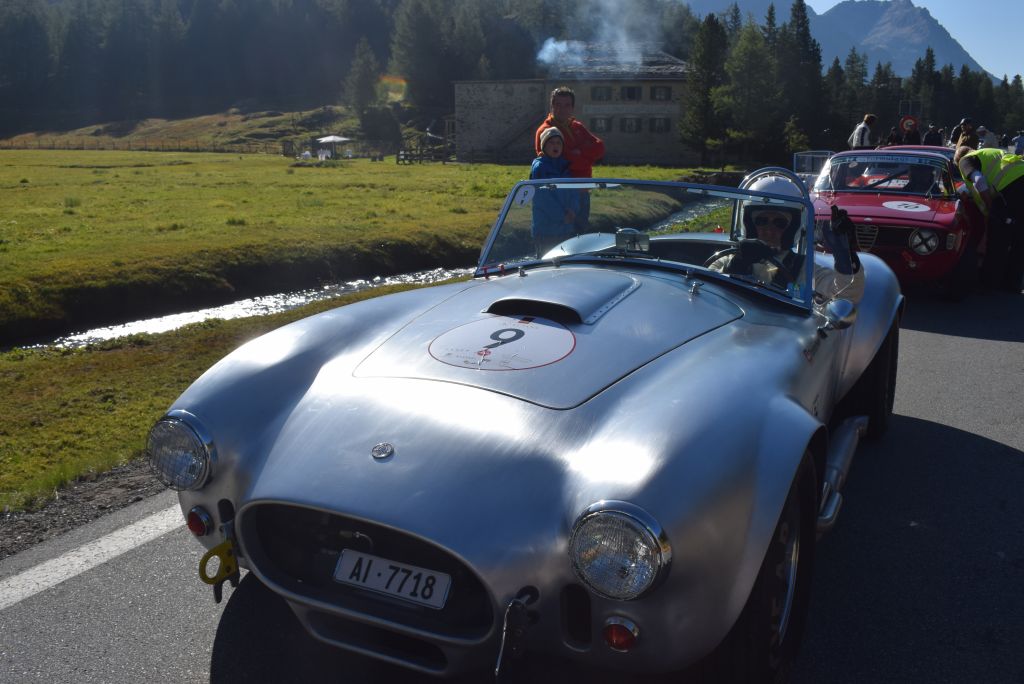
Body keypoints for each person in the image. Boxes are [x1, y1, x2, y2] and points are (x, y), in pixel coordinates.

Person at [535, 86, 605, 231]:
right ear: (551, 106)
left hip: (583, 192)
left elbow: (600, 148)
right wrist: (587, 156)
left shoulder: (577, 126)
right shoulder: (546, 130)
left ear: (572, 108)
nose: (562, 109)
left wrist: (580, 152)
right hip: (561, 195)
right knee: (559, 236)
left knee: (581, 236)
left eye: (567, 105)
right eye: (558, 105)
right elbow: (566, 162)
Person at [955, 146, 1024, 291]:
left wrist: (990, 206)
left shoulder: (964, 160)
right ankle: (1013, 283)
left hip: (1011, 187)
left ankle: (989, 283)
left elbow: (979, 181)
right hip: (1019, 179)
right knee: (1019, 237)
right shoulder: (990, 153)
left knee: (998, 238)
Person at [529, 127, 578, 256]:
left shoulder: (565, 166)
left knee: (566, 262)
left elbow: (573, 191)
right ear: (544, 146)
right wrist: (561, 216)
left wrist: (573, 210)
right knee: (546, 263)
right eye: (551, 143)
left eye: (558, 143)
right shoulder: (540, 168)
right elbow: (543, 198)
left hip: (565, 228)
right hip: (546, 229)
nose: (555, 146)